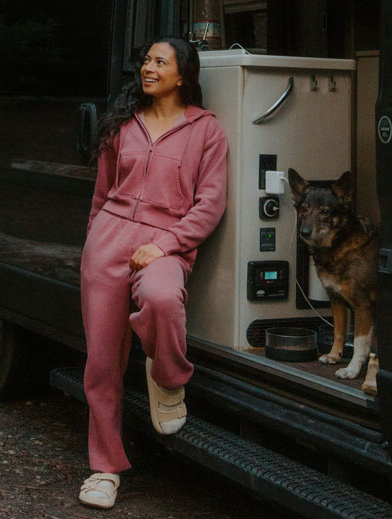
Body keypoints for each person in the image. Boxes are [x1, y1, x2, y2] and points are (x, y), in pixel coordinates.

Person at [77, 37, 228, 509]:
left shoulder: (206, 131)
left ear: (182, 76)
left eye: (160, 62)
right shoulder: (124, 124)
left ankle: (167, 376)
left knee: (163, 299)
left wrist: (164, 245)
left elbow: (210, 205)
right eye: (146, 61)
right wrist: (94, 241)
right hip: (108, 240)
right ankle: (104, 469)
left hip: (166, 241)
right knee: (102, 362)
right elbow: (102, 192)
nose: (148, 68)